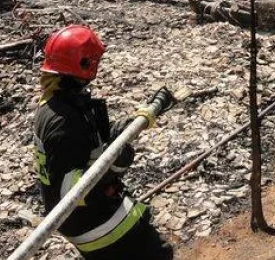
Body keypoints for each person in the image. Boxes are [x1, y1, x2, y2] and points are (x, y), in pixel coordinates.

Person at [33, 25, 173, 259]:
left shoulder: (57, 101)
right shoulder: (63, 122)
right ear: (85, 64)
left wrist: (122, 129)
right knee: (158, 254)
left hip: (88, 214)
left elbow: (89, 142)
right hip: (91, 223)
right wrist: (115, 164)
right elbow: (69, 192)